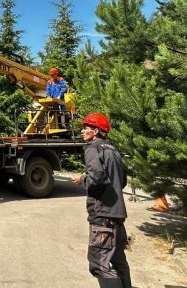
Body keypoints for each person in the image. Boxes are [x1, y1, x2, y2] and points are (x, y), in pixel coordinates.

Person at [72, 113, 131, 288]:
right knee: (118, 260)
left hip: (103, 215)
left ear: (96, 131)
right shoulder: (113, 150)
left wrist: (83, 179)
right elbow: (123, 179)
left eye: (86, 128)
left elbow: (96, 177)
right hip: (117, 215)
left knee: (99, 263)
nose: (83, 131)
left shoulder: (92, 147)